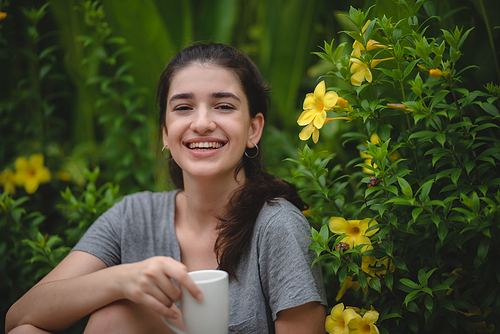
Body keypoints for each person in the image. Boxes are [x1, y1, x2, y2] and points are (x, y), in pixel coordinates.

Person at [5, 42, 327, 334]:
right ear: (165, 133)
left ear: (254, 129)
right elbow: (18, 317)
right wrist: (121, 280)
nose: (201, 123)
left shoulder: (277, 226)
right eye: (183, 107)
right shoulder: (133, 216)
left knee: (114, 319)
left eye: (224, 106)